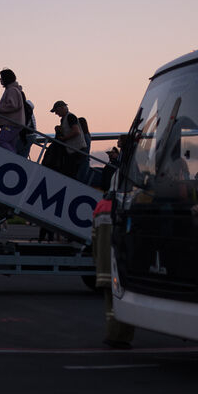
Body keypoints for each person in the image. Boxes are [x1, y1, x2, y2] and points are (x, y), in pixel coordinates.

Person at [92, 196, 135, 349]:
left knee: (110, 306)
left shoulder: (100, 206)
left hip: (104, 266)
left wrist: (97, 260)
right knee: (125, 302)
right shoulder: (128, 206)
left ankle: (112, 334)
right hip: (121, 264)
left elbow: (94, 238)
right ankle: (120, 337)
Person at [50, 100, 87, 179]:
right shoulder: (65, 118)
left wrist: (64, 138)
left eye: (56, 111)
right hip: (73, 149)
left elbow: (76, 131)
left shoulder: (70, 117)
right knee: (69, 171)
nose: (56, 113)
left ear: (62, 108)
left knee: (71, 172)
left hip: (76, 149)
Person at [0, 69, 25, 153]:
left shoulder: (11, 90)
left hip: (11, 124)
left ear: (6, 78)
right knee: (10, 144)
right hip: (15, 123)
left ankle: (15, 158)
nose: (0, 80)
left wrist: (0, 108)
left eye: (1, 78)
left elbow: (13, 105)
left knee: (1, 141)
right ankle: (14, 159)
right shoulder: (13, 89)